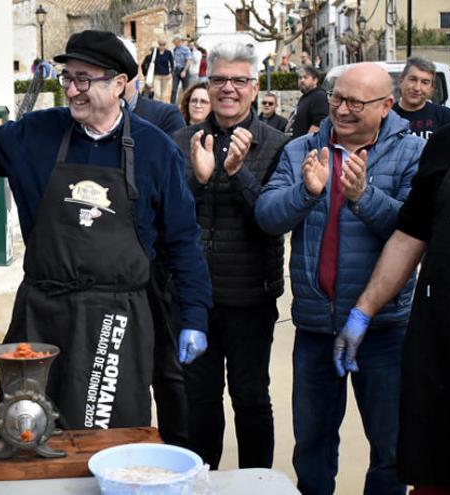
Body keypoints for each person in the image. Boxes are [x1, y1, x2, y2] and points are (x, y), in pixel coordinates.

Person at [0, 30, 212, 431]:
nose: (72, 90)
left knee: (112, 439)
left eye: (84, 79)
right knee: (26, 426)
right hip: (43, 313)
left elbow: (183, 240)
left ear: (119, 84)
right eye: (68, 78)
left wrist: (195, 316)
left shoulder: (156, 150)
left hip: (116, 321)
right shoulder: (36, 134)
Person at [339, 18, 450, 495]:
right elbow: (408, 236)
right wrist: (364, 311)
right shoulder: (446, 144)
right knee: (438, 472)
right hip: (444, 345)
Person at [255, 62, 425, 495]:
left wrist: (363, 197)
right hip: (315, 325)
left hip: (384, 328)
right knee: (311, 446)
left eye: (356, 102)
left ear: (387, 106)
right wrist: (306, 192)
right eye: (337, 98)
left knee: (390, 449)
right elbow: (267, 217)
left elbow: (415, 232)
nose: (342, 110)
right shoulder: (301, 151)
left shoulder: (411, 154)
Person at [172, 42, 288, 470]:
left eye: (239, 81)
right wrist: (199, 180)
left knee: (251, 398)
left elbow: (271, 218)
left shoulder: (277, 145)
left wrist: (238, 175)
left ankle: (255, 481)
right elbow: (168, 215)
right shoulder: (183, 140)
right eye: (219, 79)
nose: (228, 89)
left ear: (254, 88)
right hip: (193, 300)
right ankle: (203, 479)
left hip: (249, 298)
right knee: (198, 400)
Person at [120, 35, 189, 446]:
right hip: (109, 275)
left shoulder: (163, 117)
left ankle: (178, 448)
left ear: (136, 76)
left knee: (168, 371)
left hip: (156, 270)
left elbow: (169, 185)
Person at [392, 56, 450, 140]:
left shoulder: (444, 116)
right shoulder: (386, 115)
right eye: (413, 79)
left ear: (432, 88)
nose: (417, 88)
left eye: (425, 82)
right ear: (401, 81)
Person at [284, 64, 328, 137]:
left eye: (305, 77)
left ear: (315, 80)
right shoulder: (306, 97)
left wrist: (306, 144)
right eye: (300, 78)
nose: (302, 80)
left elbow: (319, 124)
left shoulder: (319, 96)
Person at [171, 35, 193, 103]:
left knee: (186, 90)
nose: (174, 43)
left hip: (184, 70)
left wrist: (184, 71)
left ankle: (185, 105)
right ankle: (172, 105)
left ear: (179, 41)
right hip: (176, 71)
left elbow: (189, 61)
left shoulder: (186, 49)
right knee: (174, 90)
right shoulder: (175, 49)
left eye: (175, 42)